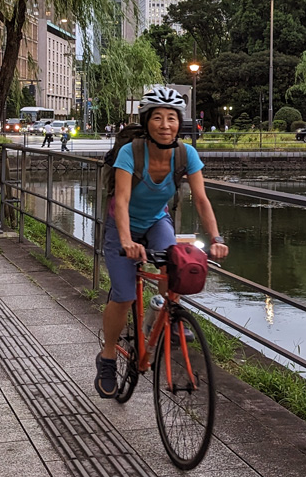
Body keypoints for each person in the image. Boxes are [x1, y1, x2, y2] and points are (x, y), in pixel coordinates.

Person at [95, 87, 228, 398]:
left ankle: (160, 317)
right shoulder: (131, 153)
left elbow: (201, 199)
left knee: (179, 269)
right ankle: (109, 354)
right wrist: (127, 241)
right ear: (147, 121)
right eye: (158, 118)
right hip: (121, 225)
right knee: (125, 294)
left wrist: (217, 237)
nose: (165, 124)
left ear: (179, 123)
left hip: (157, 220)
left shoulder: (186, 154)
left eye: (171, 118)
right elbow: (123, 200)